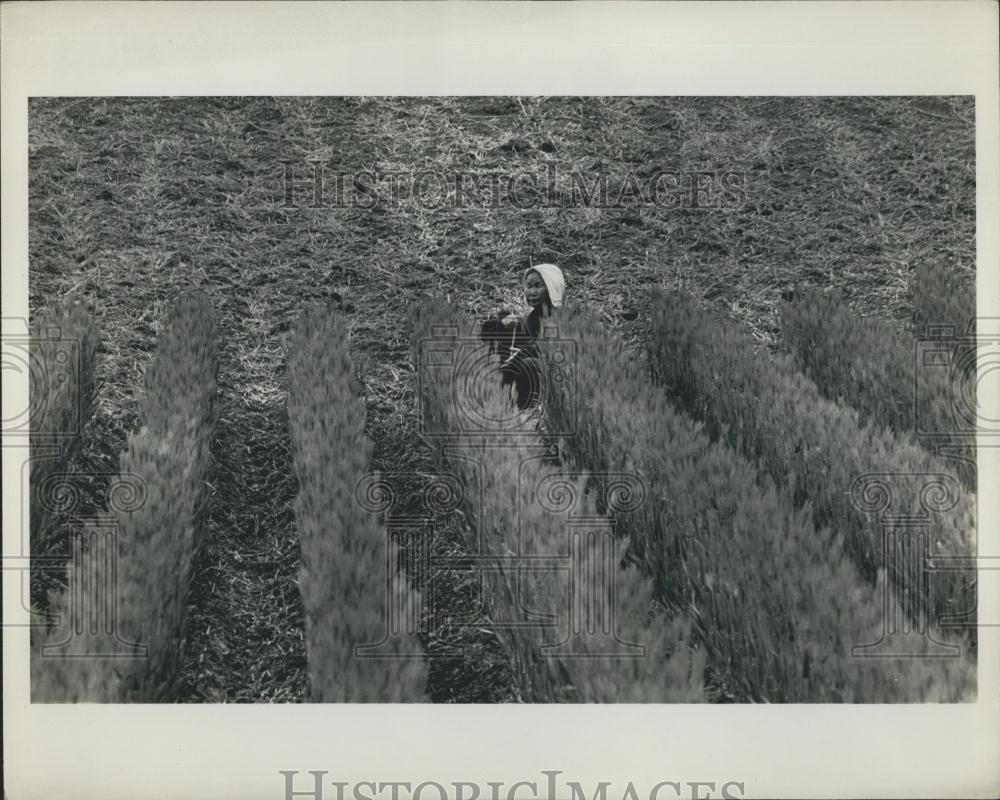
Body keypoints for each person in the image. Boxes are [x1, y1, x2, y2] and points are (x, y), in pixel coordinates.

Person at [480, 263, 565, 411]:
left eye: (538, 286)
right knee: (502, 325)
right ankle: (500, 402)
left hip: (555, 377)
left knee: (527, 364)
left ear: (552, 287)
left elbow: (551, 348)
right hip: (530, 370)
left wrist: (520, 354)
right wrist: (502, 324)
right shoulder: (531, 319)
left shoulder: (562, 317)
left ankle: (525, 409)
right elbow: (483, 334)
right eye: (528, 286)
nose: (532, 292)